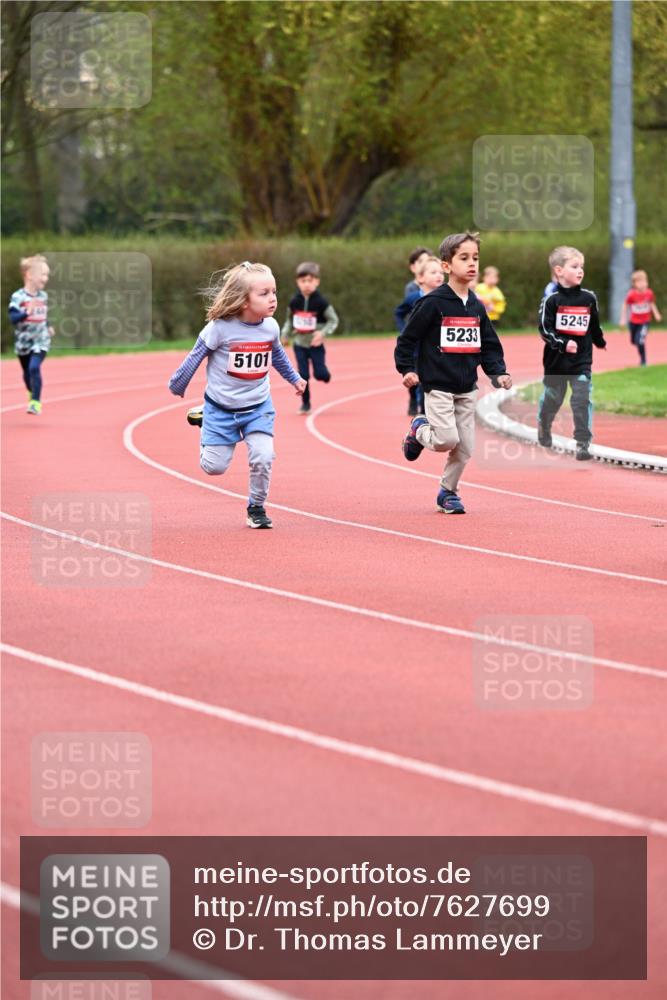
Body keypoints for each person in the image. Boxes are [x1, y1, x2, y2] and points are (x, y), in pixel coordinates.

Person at [168, 261, 306, 529]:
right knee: (213, 467)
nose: (273, 299)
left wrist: (294, 378)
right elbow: (196, 356)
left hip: (258, 406)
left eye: (274, 292)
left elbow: (277, 355)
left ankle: (256, 507)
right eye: (264, 293)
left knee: (263, 456)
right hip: (221, 408)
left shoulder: (271, 327)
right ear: (244, 301)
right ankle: (205, 418)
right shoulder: (219, 328)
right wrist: (178, 384)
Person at [395, 232, 512, 514]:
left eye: (475, 258)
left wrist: (499, 373)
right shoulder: (432, 303)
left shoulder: (476, 306)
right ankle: (419, 429)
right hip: (437, 386)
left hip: (467, 388)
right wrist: (407, 369)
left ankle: (448, 492)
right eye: (464, 258)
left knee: (465, 448)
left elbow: (489, 345)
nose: (472, 264)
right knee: (447, 439)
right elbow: (407, 339)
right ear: (447, 266)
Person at [537, 246, 606, 461]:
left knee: (581, 399)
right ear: (559, 271)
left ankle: (583, 443)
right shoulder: (551, 300)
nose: (580, 271)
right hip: (556, 361)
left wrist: (599, 340)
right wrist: (563, 343)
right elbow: (544, 330)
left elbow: (594, 324)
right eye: (574, 266)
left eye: (581, 267)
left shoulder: (589, 298)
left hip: (581, 361)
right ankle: (544, 425)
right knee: (554, 399)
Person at [280, 261, 338, 414]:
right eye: (303, 281)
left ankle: (325, 375)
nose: (306, 284)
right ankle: (305, 404)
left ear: (317, 282)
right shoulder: (294, 301)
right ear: (297, 282)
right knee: (302, 375)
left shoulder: (321, 302)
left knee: (320, 374)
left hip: (315, 344)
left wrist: (322, 333)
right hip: (299, 344)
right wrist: (284, 335)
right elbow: (289, 321)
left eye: (310, 281)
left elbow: (333, 320)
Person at [395, 255, 444, 416]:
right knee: (419, 381)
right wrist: (404, 329)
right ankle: (421, 413)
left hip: (438, 349)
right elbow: (399, 312)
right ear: (420, 278)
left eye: (441, 273)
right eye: (433, 272)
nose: (439, 275)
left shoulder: (447, 299)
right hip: (417, 349)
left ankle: (429, 414)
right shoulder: (413, 298)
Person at [8, 254, 54, 415]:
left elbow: (44, 315)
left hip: (41, 340)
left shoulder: (43, 296)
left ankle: (35, 402)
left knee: (34, 368)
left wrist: (48, 326)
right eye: (42, 274)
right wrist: (26, 312)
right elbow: (13, 318)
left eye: (47, 274)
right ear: (29, 275)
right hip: (23, 343)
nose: (46, 278)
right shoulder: (18, 297)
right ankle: (31, 391)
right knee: (27, 375)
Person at [619, 269, 662, 366]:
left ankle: (643, 360)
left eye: (645, 281)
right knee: (634, 341)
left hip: (644, 322)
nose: (643, 284)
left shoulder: (649, 293)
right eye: (640, 282)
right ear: (634, 284)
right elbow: (625, 305)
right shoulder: (632, 294)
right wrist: (623, 319)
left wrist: (656, 314)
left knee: (640, 341)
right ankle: (637, 343)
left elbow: (651, 303)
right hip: (633, 322)